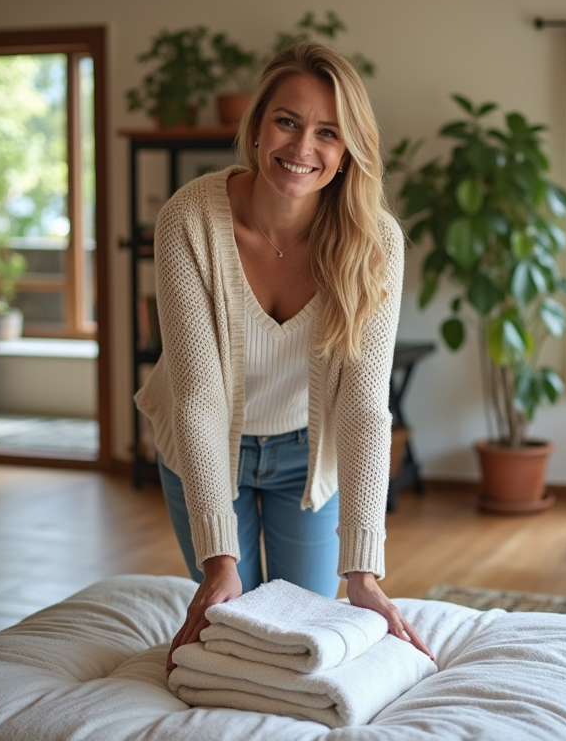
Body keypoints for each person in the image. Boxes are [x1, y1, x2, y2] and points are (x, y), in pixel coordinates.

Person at [135, 43, 432, 670]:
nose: (302, 148)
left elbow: (363, 408)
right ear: (257, 124)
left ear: (349, 148)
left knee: (302, 627)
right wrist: (219, 562)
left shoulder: (375, 240)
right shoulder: (188, 219)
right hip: (203, 444)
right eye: (287, 121)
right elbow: (197, 398)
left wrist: (365, 570)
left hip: (306, 455)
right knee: (236, 622)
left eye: (328, 132)